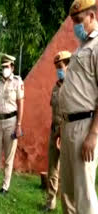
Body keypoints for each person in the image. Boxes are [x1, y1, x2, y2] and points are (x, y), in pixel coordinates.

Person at [59, 0, 98, 213]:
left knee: (84, 194)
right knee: (68, 194)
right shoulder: (81, 48)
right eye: (73, 21)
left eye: (79, 20)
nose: (75, 26)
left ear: (92, 16)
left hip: (85, 126)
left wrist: (93, 133)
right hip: (69, 125)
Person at [0, 54, 24, 195]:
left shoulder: (17, 82)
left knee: (9, 156)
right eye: (3, 66)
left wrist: (19, 125)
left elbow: (21, 104)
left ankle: (5, 186)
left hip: (11, 121)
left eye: (7, 66)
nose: (5, 69)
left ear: (12, 67)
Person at [44, 51, 71, 212]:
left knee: (68, 170)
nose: (58, 70)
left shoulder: (74, 86)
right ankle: (51, 201)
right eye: (56, 68)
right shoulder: (56, 86)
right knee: (52, 168)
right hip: (54, 131)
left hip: (67, 132)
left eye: (60, 67)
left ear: (68, 66)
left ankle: (68, 205)